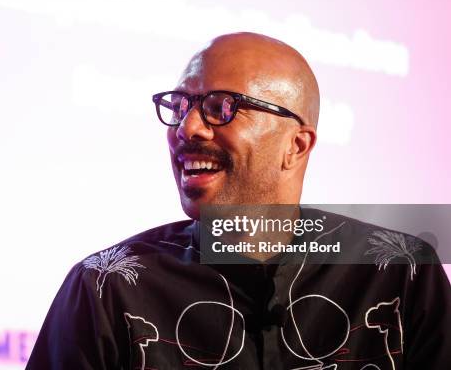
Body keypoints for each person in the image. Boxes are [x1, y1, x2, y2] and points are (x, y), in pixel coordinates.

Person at [25, 33, 451, 369]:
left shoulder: (400, 274)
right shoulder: (107, 287)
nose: (188, 127)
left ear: (296, 147)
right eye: (179, 106)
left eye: (221, 107)